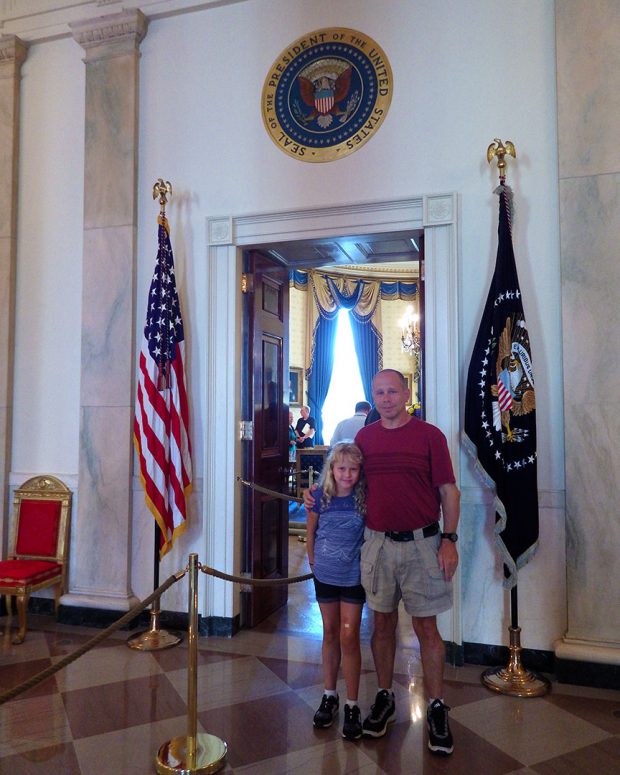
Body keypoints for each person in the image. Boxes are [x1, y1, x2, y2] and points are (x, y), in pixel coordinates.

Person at [304, 368, 459, 756]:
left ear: (405, 394)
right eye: (379, 392)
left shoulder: (430, 436)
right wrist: (315, 494)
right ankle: (385, 697)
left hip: (423, 544)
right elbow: (344, 478)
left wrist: (450, 540)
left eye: (392, 391)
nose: (386, 398)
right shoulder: (365, 439)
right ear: (372, 397)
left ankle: (436, 706)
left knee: (426, 627)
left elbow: (448, 491)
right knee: (382, 625)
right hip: (376, 545)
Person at [306, 442, 367, 741]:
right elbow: (311, 532)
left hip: (353, 576)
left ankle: (352, 703)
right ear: (331, 469)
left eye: (353, 469)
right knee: (329, 631)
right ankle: (329, 694)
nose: (347, 474)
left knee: (349, 635)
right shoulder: (319, 496)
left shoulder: (364, 497)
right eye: (341, 468)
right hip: (325, 574)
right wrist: (313, 563)